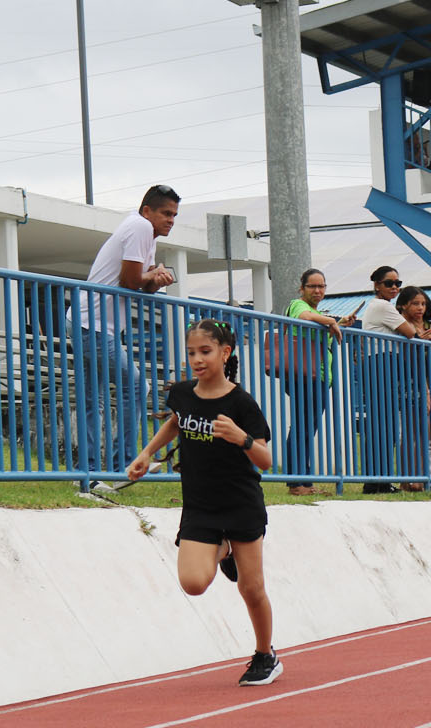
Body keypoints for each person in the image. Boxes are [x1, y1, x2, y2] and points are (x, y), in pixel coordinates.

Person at [127, 319, 281, 686]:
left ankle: (265, 655)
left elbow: (266, 459)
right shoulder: (182, 393)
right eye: (192, 352)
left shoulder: (242, 403)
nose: (197, 359)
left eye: (205, 352)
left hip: (240, 502)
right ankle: (223, 551)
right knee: (194, 582)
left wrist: (241, 438)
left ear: (225, 353)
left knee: (251, 588)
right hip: (200, 504)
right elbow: (177, 422)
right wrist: (148, 452)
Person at [76, 184, 179, 489]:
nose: (171, 219)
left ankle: (90, 473)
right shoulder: (139, 227)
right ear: (147, 211)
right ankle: (124, 465)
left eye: (174, 214)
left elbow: (141, 285)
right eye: (165, 213)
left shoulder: (147, 235)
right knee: (137, 386)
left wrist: (157, 280)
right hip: (91, 324)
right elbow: (129, 280)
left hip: (92, 324)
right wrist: (152, 274)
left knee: (93, 398)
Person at [281, 269, 353, 496]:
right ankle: (296, 482)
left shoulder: (316, 311)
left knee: (307, 428)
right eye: (312, 286)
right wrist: (331, 321)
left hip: (317, 377)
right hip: (304, 375)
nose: (318, 290)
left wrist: (339, 323)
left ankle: (305, 478)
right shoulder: (298, 305)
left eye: (322, 286)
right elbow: (303, 317)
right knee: (302, 427)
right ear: (301, 288)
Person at [358, 266, 422, 494]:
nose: (394, 287)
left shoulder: (380, 306)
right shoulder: (382, 306)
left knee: (382, 425)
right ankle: (379, 481)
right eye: (389, 283)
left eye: (397, 283)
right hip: (380, 363)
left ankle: (377, 480)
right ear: (377, 285)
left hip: (381, 363)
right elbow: (410, 332)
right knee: (384, 425)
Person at [395, 284, 431, 492]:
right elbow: (403, 355)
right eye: (415, 303)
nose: (420, 308)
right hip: (406, 384)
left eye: (423, 304)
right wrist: (419, 342)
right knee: (408, 435)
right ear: (403, 305)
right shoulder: (401, 325)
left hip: (427, 383)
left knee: (426, 434)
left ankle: (427, 477)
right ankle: (408, 479)